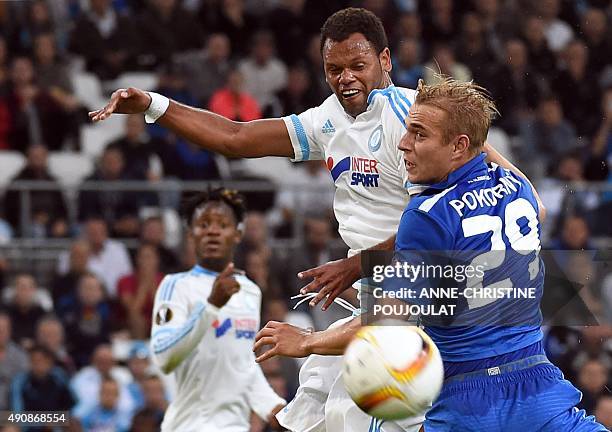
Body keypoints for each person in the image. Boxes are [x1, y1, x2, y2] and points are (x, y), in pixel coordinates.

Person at [90, 8, 531, 431]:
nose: (345, 79)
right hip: (371, 292)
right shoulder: (328, 119)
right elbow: (235, 138)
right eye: (334, 68)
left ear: (384, 60)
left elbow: (439, 226)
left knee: (359, 415)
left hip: (417, 293)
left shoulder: (413, 121)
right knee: (312, 409)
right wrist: (154, 105)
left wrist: (354, 265)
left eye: (357, 65)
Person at [257, 78, 605, 431]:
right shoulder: (516, 188)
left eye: (419, 135)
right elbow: (541, 208)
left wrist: (307, 341)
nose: (403, 144)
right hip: (537, 389)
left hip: (468, 403)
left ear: (458, 147)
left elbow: (386, 322)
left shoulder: (427, 214)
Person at [149, 188, 286, 431]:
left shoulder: (250, 291)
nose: (212, 231)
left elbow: (243, 363)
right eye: (203, 224)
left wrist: (273, 407)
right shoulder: (175, 286)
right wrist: (210, 307)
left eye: (222, 224)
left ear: (238, 233)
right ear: (191, 233)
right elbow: (164, 358)